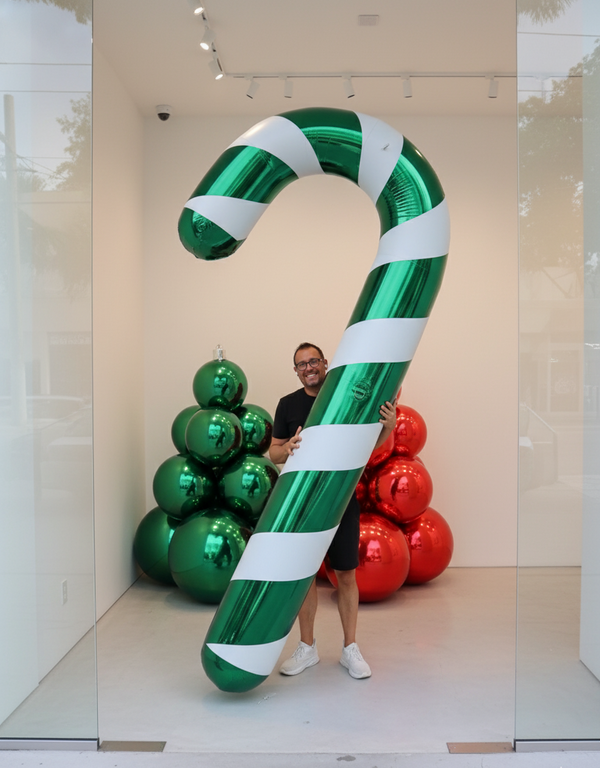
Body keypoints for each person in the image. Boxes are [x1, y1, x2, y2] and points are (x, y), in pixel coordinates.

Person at [269, 342, 396, 680]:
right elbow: (273, 454)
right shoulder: (288, 404)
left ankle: (350, 648)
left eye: (313, 361)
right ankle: (307, 648)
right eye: (301, 364)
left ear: (325, 363)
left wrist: (389, 426)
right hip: (302, 503)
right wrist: (287, 448)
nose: (308, 368)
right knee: (306, 575)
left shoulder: (345, 395)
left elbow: (372, 441)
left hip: (341, 499)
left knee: (346, 575)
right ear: (295, 371)